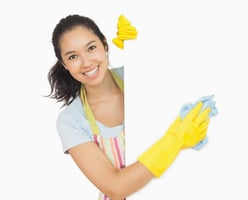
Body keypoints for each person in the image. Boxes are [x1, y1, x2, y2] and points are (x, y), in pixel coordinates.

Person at [47, 14, 213, 200]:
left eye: (92, 48)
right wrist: (175, 140)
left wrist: (143, 46)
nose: (86, 62)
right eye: (73, 56)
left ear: (105, 45)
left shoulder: (140, 76)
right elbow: (115, 189)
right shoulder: (71, 120)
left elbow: (183, 59)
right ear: (64, 64)